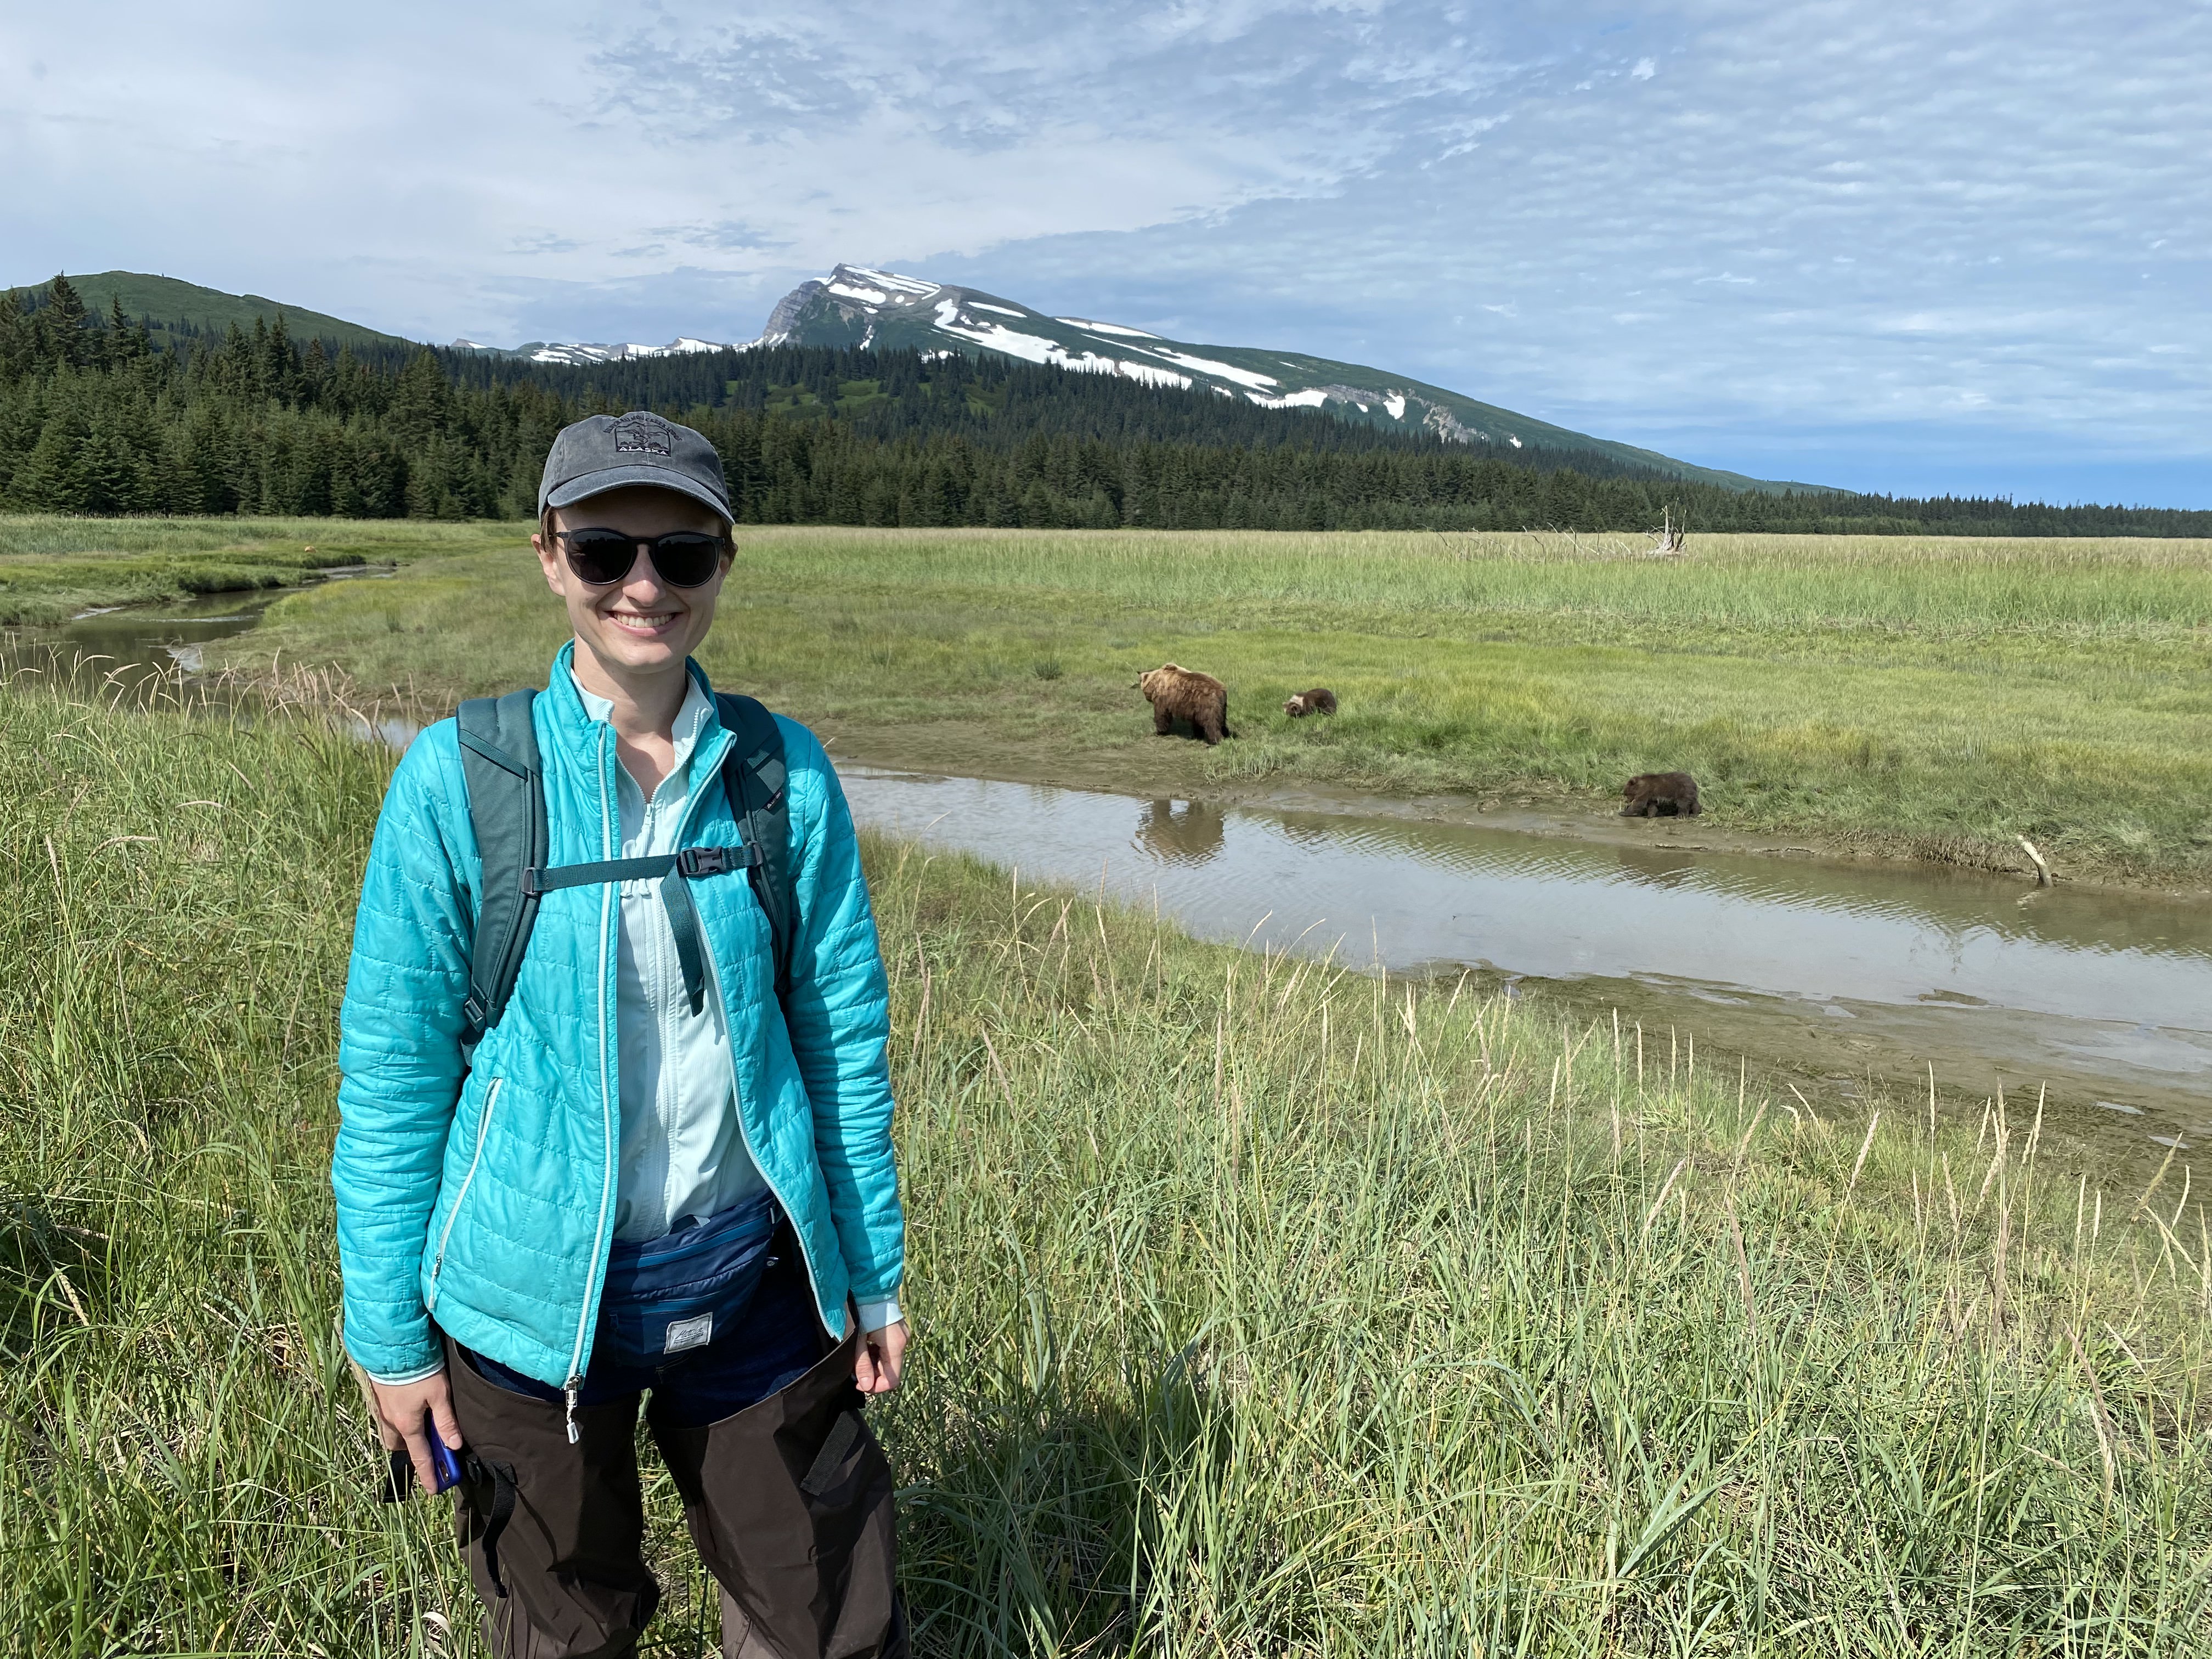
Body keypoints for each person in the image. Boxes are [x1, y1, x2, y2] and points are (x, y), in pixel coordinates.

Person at [332, 410, 909, 1658]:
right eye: (605, 552)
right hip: (525, 1311)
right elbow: (392, 1073)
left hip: (757, 1291)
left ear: (723, 567)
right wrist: (387, 1334)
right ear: (549, 556)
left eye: (682, 556)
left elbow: (841, 1040)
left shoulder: (783, 777)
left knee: (822, 1621)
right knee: (562, 1634)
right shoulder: (459, 780)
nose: (644, 585)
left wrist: (871, 1271)